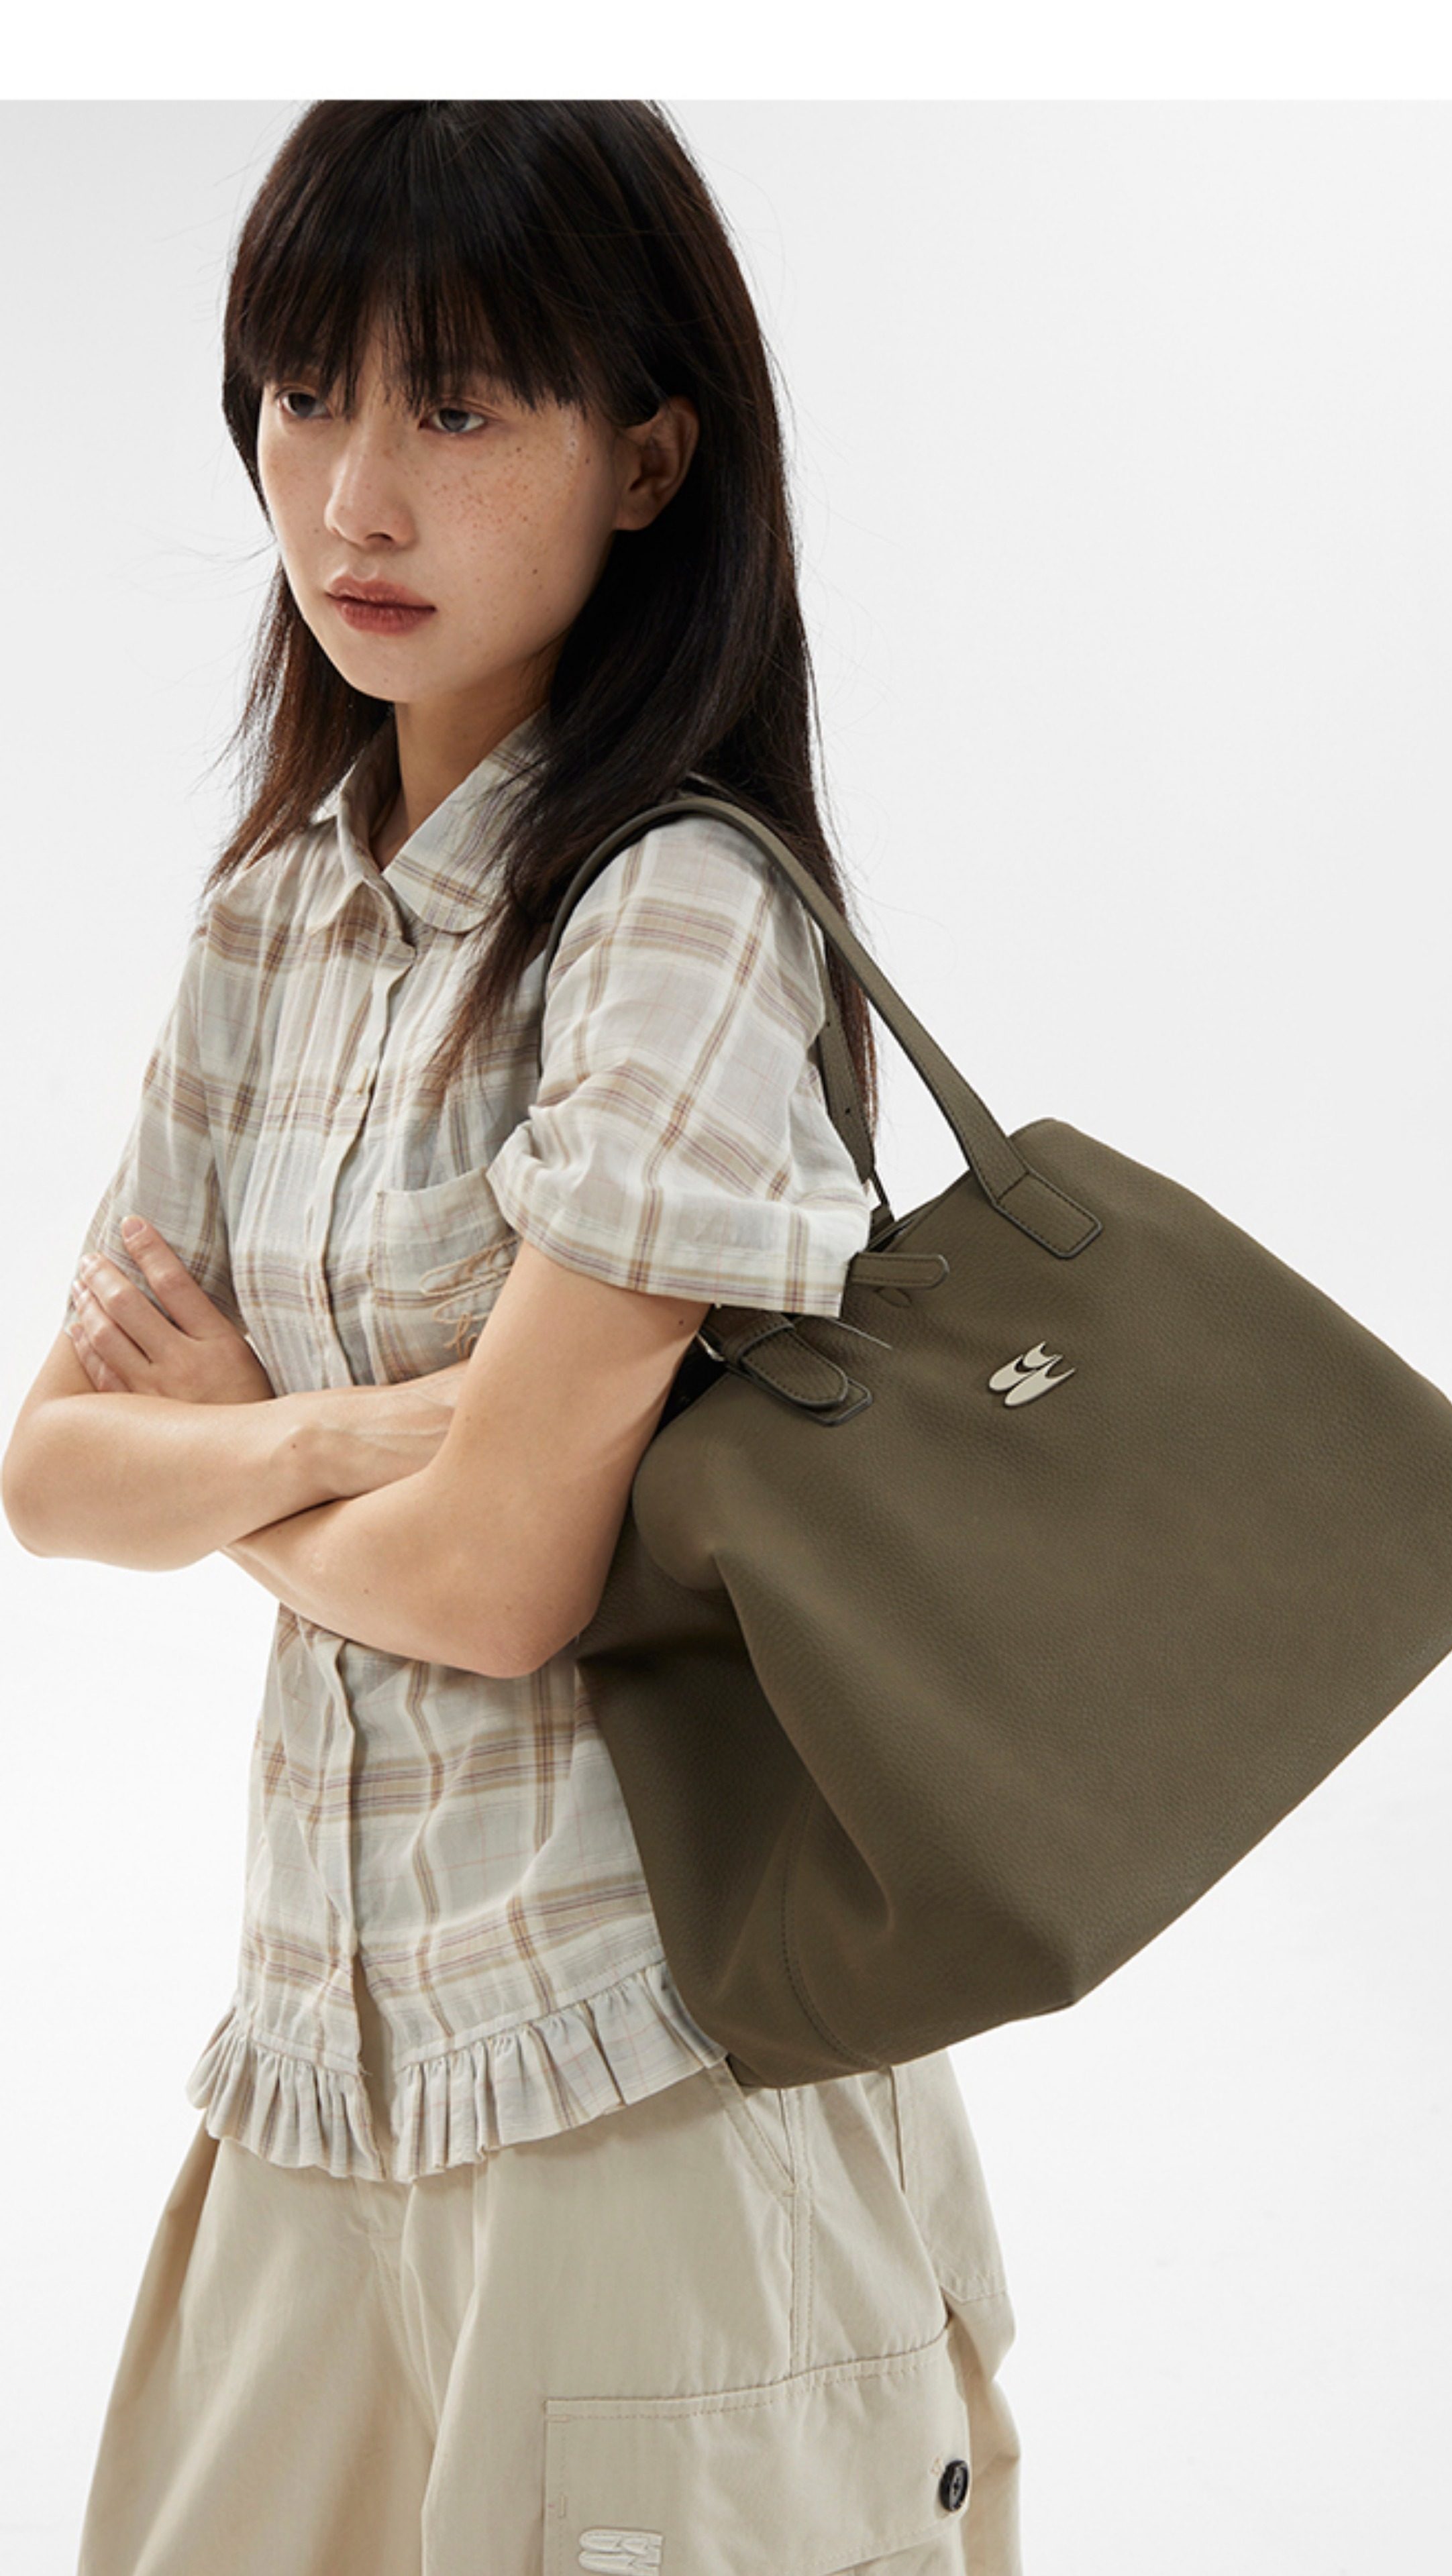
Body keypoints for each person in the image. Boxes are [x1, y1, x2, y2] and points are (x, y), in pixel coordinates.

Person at [1, 101, 1022, 2576]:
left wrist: (240, 1454)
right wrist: (361, 1434)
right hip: (316, 2079)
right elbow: (50, 1474)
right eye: (305, 395)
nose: (355, 495)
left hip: (636, 2093)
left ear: (649, 458)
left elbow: (499, 1585)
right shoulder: (271, 925)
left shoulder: (681, 918)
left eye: (456, 406)